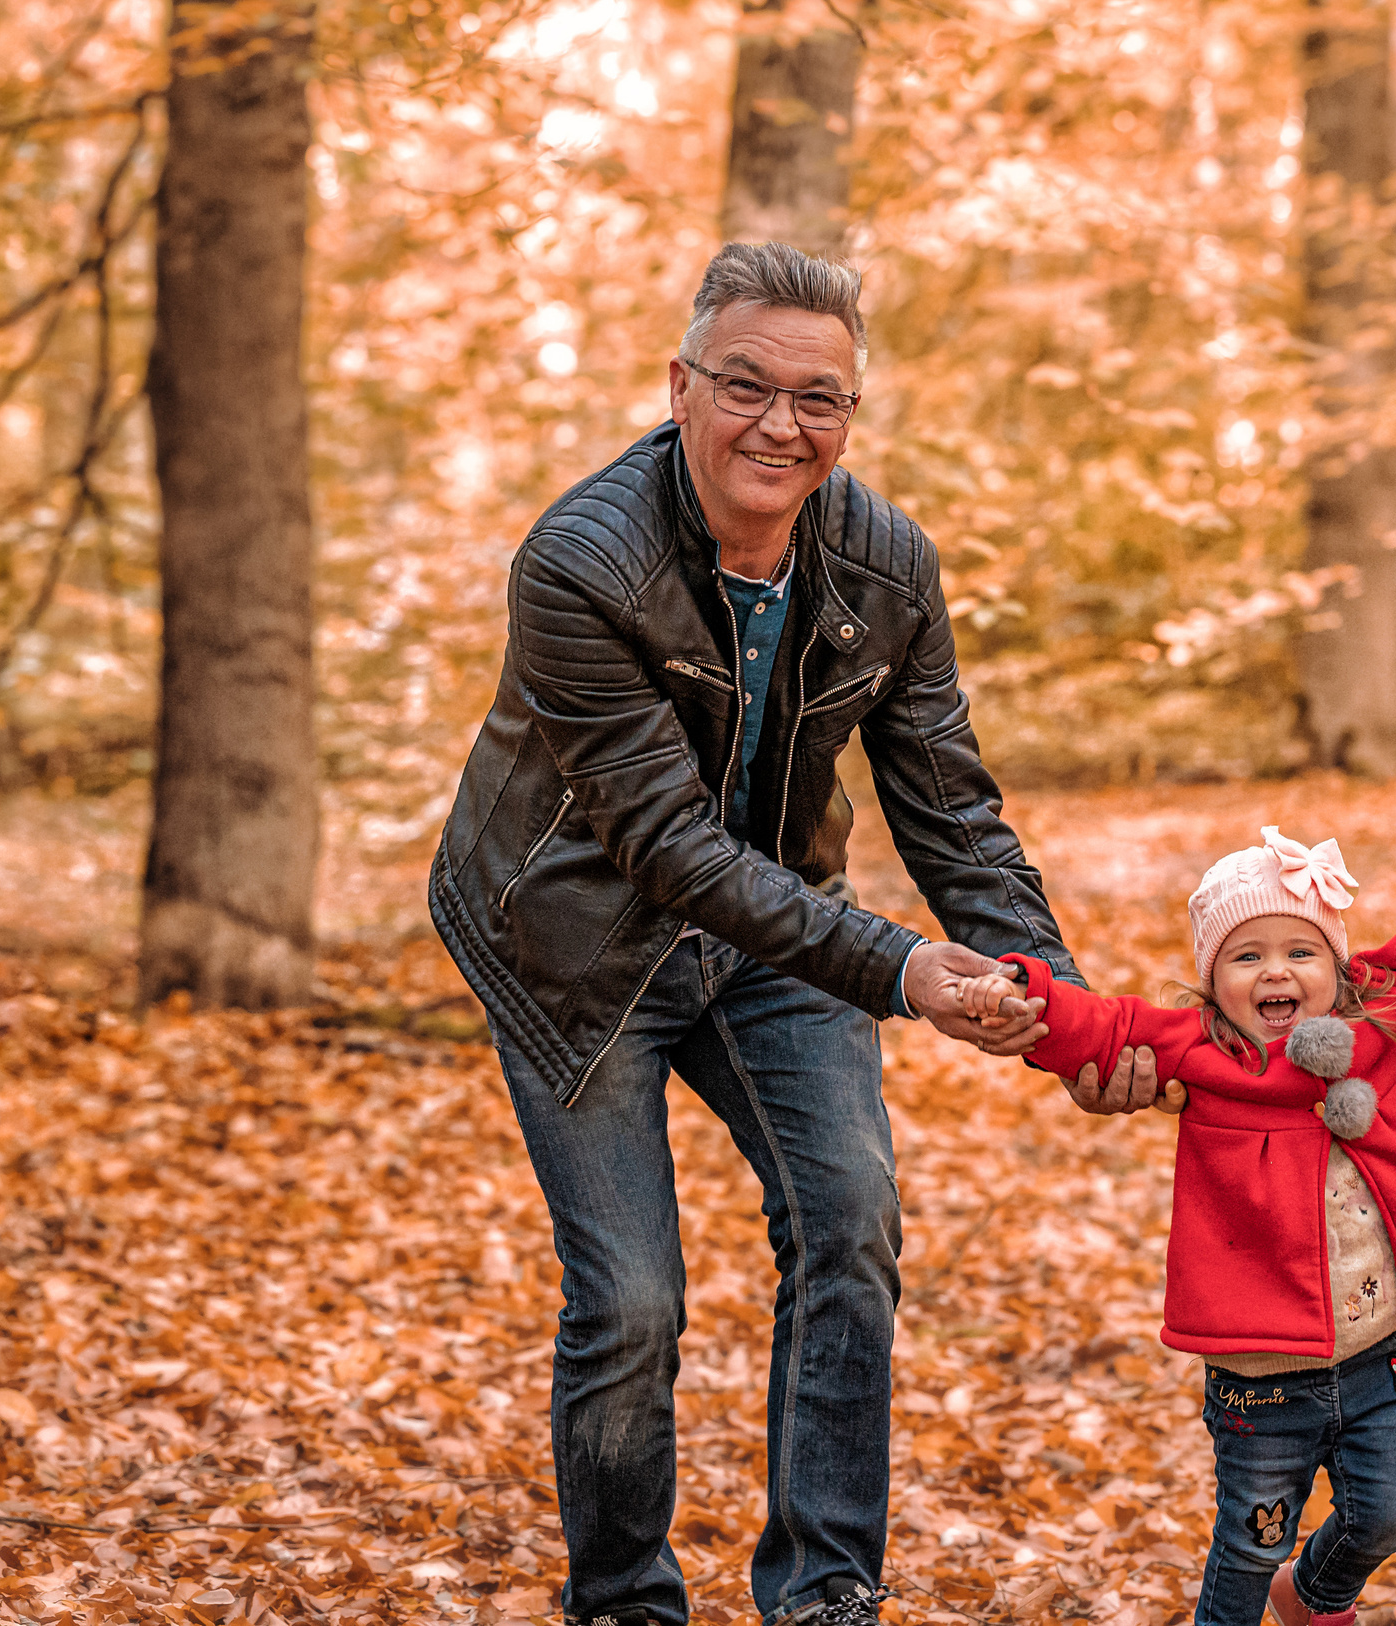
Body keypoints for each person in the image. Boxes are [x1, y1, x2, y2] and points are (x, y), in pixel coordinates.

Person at [427, 241, 1154, 1626]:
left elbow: (950, 806)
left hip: (777, 931)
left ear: (852, 412)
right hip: (575, 941)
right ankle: (627, 1600)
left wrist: (1066, 1011)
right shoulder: (580, 563)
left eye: (818, 397)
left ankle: (826, 1593)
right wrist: (901, 969)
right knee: (632, 1298)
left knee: (851, 1222)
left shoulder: (885, 563)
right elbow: (668, 846)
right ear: (682, 386)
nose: (781, 423)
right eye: (746, 384)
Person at [945, 828, 1396, 1626]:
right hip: (1260, 1376)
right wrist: (1021, 992)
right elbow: (1101, 1027)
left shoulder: (1378, 1009)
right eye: (1246, 957)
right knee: (1252, 1541)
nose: (1276, 971)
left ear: (1338, 968)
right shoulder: (1201, 1052)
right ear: (1214, 983)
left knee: (1392, 1514)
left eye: (1300, 952)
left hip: (1371, 1355)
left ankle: (1312, 1595)